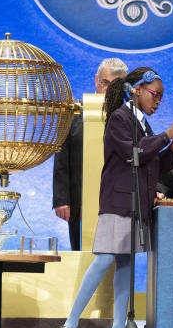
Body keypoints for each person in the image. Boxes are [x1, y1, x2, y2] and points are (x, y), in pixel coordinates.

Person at [47, 68, 173, 328]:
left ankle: (118, 327)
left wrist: (171, 150)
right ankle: (70, 323)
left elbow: (152, 165)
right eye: (155, 95)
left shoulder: (142, 124)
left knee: (126, 264)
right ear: (137, 90)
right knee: (103, 260)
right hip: (118, 201)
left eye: (161, 97)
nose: (158, 101)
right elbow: (132, 154)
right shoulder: (119, 118)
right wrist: (165, 137)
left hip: (136, 202)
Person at [52, 58, 128, 250]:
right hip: (79, 202)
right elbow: (61, 158)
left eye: (116, 86)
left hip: (118, 203)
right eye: (105, 83)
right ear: (96, 80)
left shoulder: (129, 115)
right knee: (81, 253)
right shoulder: (75, 112)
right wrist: (62, 200)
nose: (109, 90)